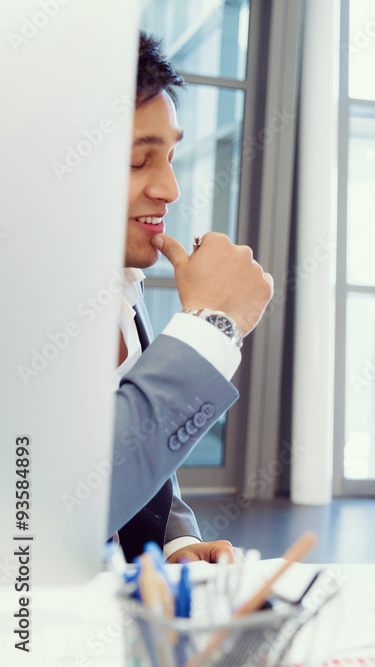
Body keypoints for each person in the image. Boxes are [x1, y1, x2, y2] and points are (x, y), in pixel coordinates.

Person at [108, 32, 273, 563]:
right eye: (139, 161)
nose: (170, 189)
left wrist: (172, 545)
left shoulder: (122, 285)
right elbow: (57, 507)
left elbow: (132, 434)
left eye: (171, 156)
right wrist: (210, 326)